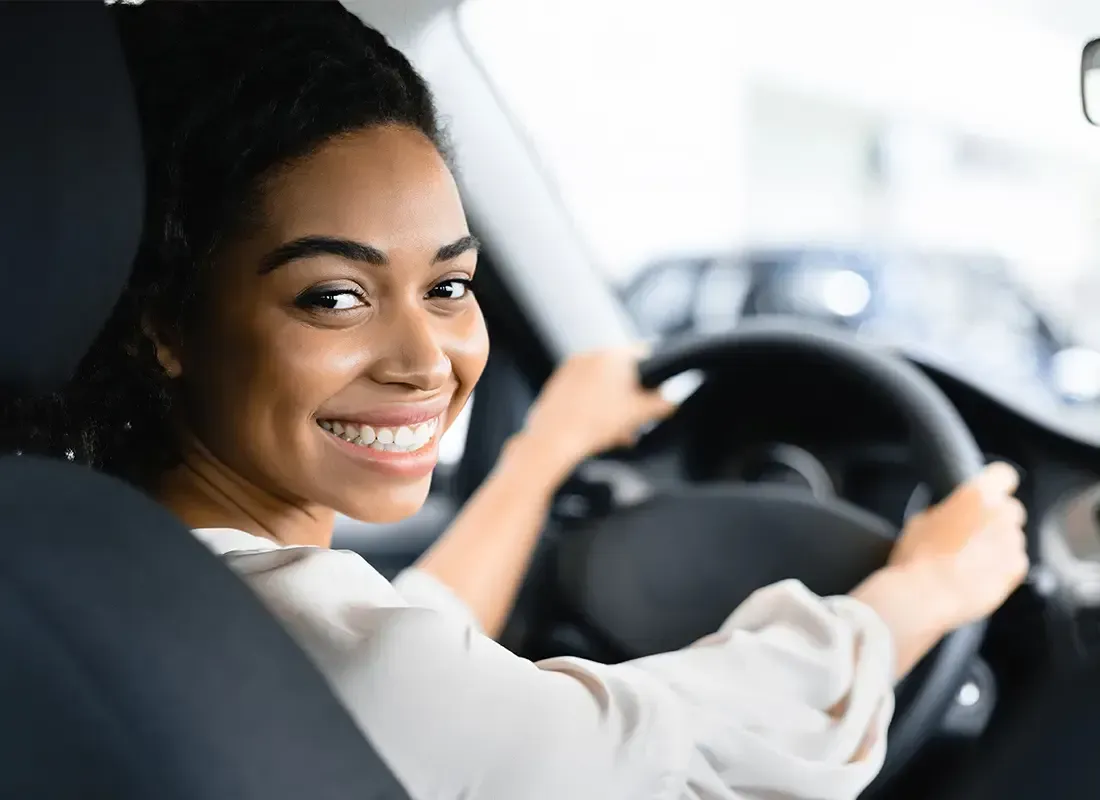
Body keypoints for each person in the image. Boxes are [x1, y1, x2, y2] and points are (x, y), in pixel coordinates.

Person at [13, 3, 1027, 798]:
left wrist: (540, 456)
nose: (427, 358)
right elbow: (675, 743)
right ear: (167, 324)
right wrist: (920, 590)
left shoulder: (98, 584)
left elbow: (406, 651)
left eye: (449, 285)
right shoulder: (308, 654)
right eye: (335, 295)